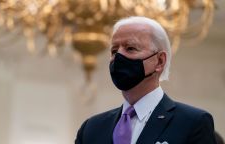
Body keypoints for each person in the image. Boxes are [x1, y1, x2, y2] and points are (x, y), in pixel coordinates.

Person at [75, 16, 217, 144]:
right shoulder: (91, 129)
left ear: (159, 61)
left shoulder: (192, 123)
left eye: (130, 48)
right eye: (114, 51)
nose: (118, 57)